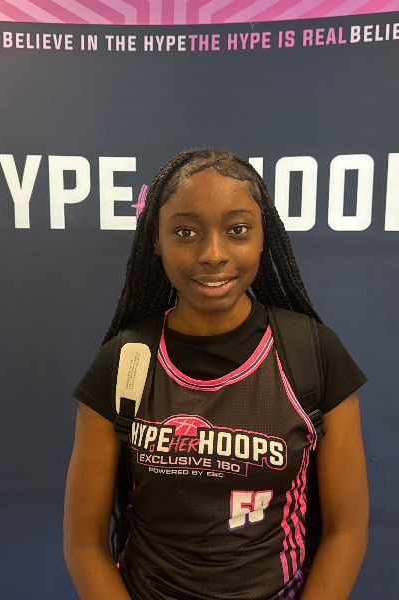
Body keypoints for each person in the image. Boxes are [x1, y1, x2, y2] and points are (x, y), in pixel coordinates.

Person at [64, 148, 368, 600]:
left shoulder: (312, 354)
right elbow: (84, 544)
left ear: (264, 236)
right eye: (185, 231)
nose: (213, 254)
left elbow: (346, 530)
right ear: (156, 239)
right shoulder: (125, 360)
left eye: (237, 229)